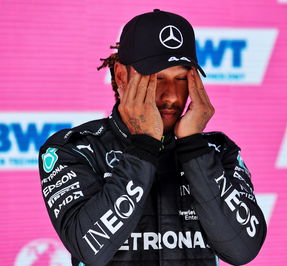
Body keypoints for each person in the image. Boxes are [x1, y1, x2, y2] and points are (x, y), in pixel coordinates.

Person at [39, 9, 267, 266]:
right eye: (157, 78)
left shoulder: (218, 151)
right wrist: (144, 145)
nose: (171, 95)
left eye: (181, 78)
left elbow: (243, 250)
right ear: (121, 75)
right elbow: (90, 248)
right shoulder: (74, 149)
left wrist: (193, 148)